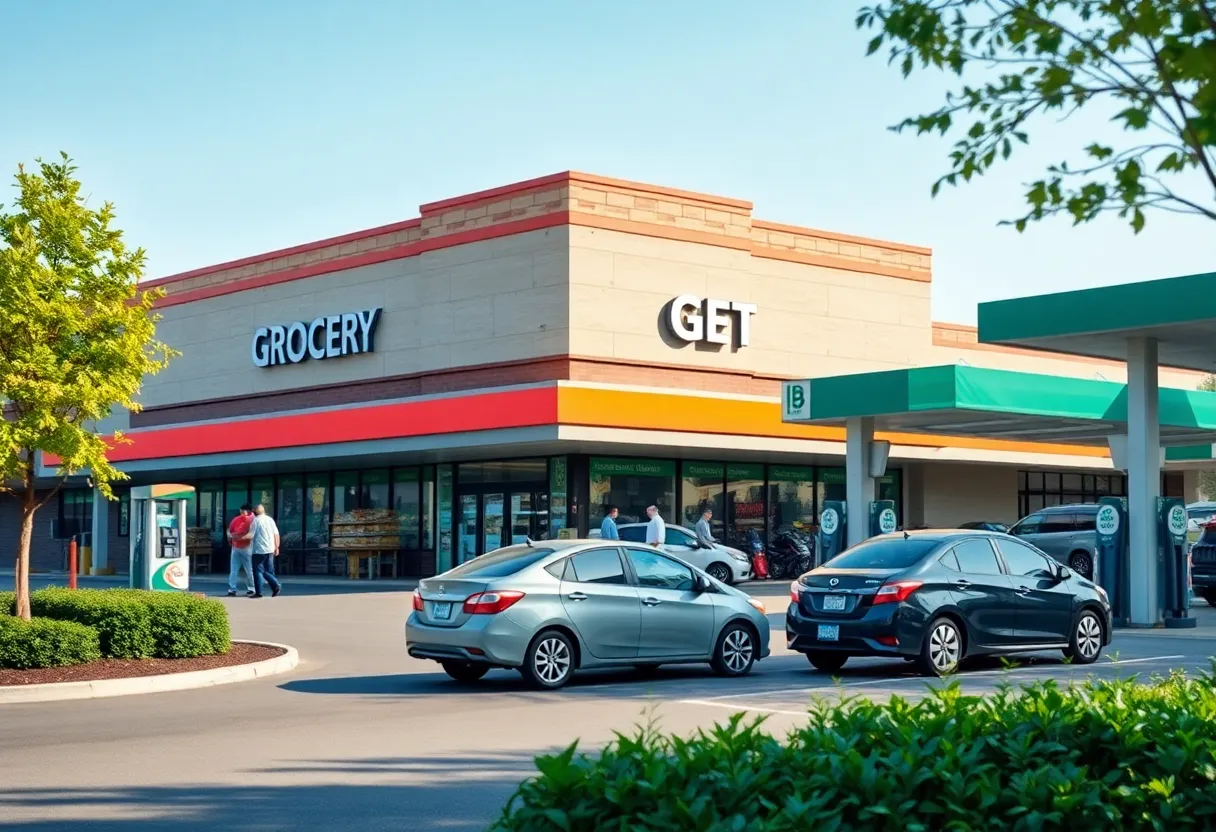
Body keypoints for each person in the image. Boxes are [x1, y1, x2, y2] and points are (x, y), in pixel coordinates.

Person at [249, 504, 282, 598]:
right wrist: (277, 547)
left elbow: (250, 535)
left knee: (258, 571)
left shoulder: (255, 521)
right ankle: (274, 587)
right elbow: (276, 534)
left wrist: (237, 537)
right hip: (270, 548)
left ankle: (263, 590)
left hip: (259, 549)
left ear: (254, 511)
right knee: (268, 570)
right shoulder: (270, 520)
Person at [226, 504, 255, 597]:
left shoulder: (252, 520)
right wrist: (232, 537)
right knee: (245, 569)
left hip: (245, 546)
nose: (242, 513)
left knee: (243, 569)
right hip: (241, 547)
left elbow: (250, 535)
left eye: (243, 511)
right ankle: (250, 588)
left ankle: (233, 589)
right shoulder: (252, 520)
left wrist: (234, 537)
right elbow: (229, 530)